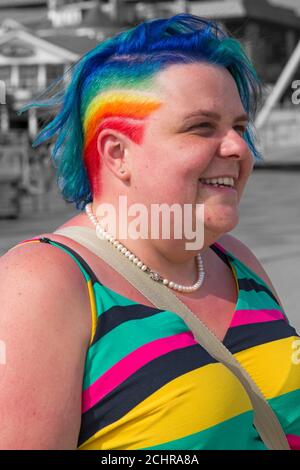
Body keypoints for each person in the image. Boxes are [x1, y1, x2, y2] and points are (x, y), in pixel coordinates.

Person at [0, 14, 299, 450]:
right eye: (202, 127)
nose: (239, 146)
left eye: (238, 126)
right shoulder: (45, 283)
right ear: (117, 153)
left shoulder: (234, 260)